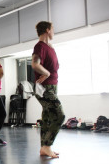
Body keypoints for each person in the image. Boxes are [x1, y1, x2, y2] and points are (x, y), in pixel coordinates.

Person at [31, 21, 65, 158]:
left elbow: (54, 66)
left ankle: (43, 148)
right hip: (45, 88)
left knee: (47, 118)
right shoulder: (40, 46)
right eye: (53, 29)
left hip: (52, 86)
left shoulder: (49, 47)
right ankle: (47, 146)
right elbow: (35, 64)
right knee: (59, 115)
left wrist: (50, 71)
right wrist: (47, 73)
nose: (54, 31)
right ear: (47, 30)